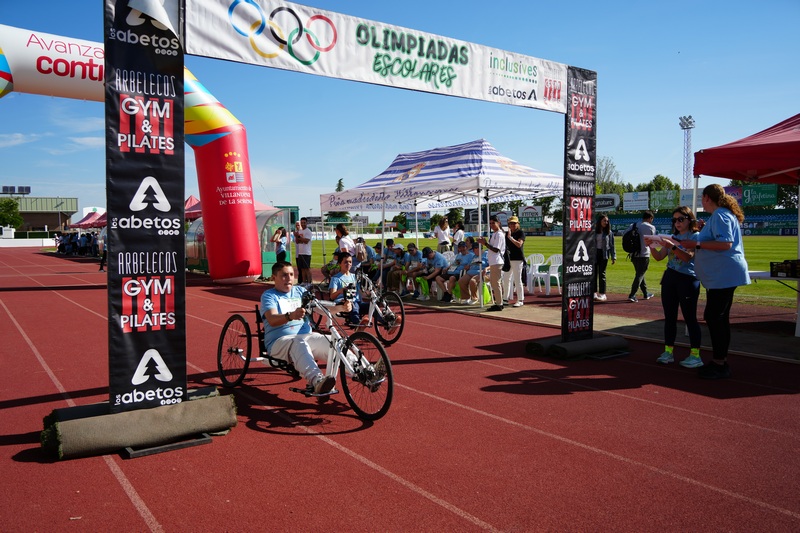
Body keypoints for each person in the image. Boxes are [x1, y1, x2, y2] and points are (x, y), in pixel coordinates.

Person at [678, 184, 750, 379]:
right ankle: (720, 360)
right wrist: (704, 232)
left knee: (714, 316)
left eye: (703, 198)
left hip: (723, 274)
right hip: (722, 274)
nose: (702, 201)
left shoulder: (720, 215)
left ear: (707, 198)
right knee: (718, 317)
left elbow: (725, 243)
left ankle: (720, 363)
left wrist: (696, 242)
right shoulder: (722, 215)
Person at [261, 261, 350, 394]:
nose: (289, 278)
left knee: (334, 342)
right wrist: (290, 316)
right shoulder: (269, 295)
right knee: (298, 342)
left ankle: (363, 371)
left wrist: (341, 307)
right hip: (280, 342)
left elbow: (321, 309)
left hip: (306, 337)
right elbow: (272, 319)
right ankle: (317, 381)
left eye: (291, 274)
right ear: (274, 277)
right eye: (284, 275)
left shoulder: (301, 291)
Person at [649, 206, 703, 368]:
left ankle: (695, 355)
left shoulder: (695, 236)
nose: (677, 223)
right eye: (674, 220)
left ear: (689, 219)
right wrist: (651, 245)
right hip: (670, 278)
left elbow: (687, 257)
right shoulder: (672, 237)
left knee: (690, 318)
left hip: (687, 279)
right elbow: (659, 257)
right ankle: (668, 352)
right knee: (669, 317)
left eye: (680, 219)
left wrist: (672, 246)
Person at [477, 215, 506, 311]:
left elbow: (496, 249)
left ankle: (499, 303)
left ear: (499, 223)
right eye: (490, 223)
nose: (492, 225)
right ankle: (499, 302)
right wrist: (485, 242)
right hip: (494, 261)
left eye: (493, 223)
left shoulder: (499, 234)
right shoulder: (495, 234)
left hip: (497, 261)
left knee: (496, 283)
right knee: (494, 283)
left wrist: (485, 243)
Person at [627, 210, 657, 302]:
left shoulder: (633, 225)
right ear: (650, 218)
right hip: (644, 254)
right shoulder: (651, 227)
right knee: (640, 274)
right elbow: (653, 242)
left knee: (640, 274)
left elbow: (625, 235)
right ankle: (632, 295)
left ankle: (645, 293)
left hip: (634, 254)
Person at [328, 252, 361, 326]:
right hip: (344, 303)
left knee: (371, 306)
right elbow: (332, 296)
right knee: (353, 305)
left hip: (356, 302)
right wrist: (340, 291)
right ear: (339, 264)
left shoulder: (354, 277)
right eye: (346, 262)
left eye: (350, 262)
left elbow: (359, 292)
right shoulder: (335, 278)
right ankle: (357, 323)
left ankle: (385, 322)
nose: (348, 264)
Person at [502, 216, 526, 307]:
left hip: (517, 259)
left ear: (517, 224)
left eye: (514, 223)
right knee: (506, 279)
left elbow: (519, 244)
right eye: (511, 223)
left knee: (517, 279)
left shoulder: (520, 232)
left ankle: (520, 299)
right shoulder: (507, 233)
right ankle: (505, 298)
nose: (512, 225)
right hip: (509, 259)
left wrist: (510, 237)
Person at [593, 214, 616, 301]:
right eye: (604, 221)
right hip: (595, 254)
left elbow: (612, 245)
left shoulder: (609, 233)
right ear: (600, 221)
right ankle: (594, 293)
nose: (606, 222)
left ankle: (602, 294)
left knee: (602, 274)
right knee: (594, 274)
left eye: (607, 221)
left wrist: (613, 256)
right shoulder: (594, 231)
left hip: (604, 254)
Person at [293, 218, 312, 285]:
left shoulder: (308, 231)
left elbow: (306, 241)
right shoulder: (300, 231)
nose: (303, 224)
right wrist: (296, 236)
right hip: (300, 252)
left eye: (304, 222)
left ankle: (309, 282)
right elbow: (297, 242)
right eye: (302, 223)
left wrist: (298, 236)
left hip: (306, 252)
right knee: (302, 269)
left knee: (307, 268)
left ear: (306, 223)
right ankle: (303, 282)